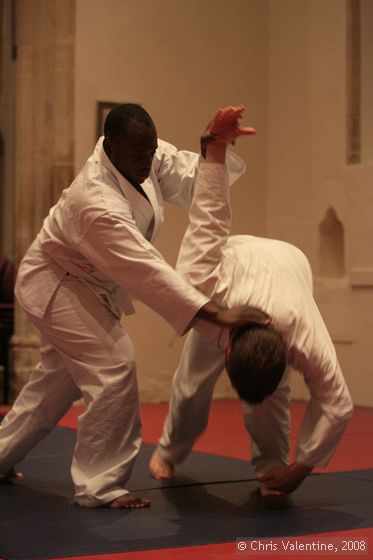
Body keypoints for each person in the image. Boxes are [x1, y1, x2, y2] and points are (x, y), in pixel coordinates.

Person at [0, 104, 260, 508]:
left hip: (83, 285)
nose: (148, 161)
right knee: (115, 366)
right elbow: (148, 271)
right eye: (139, 155)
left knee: (52, 387)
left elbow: (195, 182)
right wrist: (216, 315)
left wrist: (214, 148)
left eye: (151, 151)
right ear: (111, 146)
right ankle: (100, 486)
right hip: (57, 283)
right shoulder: (95, 200)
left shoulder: (144, 155)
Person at [149, 106, 354, 496]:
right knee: (191, 384)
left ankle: (271, 466)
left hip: (289, 264)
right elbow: (209, 220)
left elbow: (338, 404)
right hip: (237, 264)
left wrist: (299, 470)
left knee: (269, 397)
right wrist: (215, 149)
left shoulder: (304, 338)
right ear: (226, 354)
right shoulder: (202, 290)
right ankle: (170, 450)